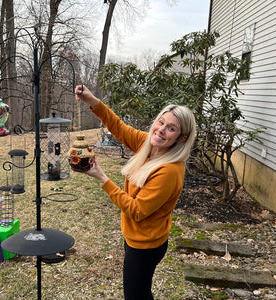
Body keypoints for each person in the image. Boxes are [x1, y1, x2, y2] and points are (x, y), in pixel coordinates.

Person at [74, 85, 197, 300]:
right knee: (138, 293)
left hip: (146, 246)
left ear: (181, 138)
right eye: (161, 122)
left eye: (171, 128)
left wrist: (103, 178)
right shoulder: (148, 145)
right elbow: (118, 127)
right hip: (136, 239)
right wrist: (93, 101)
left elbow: (137, 211)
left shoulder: (169, 170)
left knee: (135, 296)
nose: (160, 130)